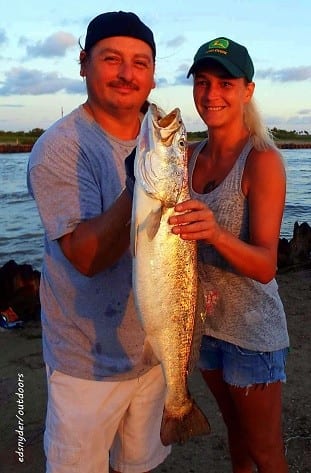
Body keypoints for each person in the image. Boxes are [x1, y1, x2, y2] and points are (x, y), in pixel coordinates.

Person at [27, 11, 171, 473]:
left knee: (139, 466)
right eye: (112, 59)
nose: (127, 74)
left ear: (152, 75)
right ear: (84, 63)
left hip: (154, 352)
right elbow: (86, 258)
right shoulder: (61, 147)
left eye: (140, 63)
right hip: (85, 364)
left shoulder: (166, 137)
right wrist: (141, 186)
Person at [169, 37, 289, 472]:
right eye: (203, 82)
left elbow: (266, 266)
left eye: (225, 83)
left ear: (247, 90)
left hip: (252, 335)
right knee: (235, 435)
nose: (211, 94)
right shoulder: (185, 157)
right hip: (201, 328)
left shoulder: (262, 161)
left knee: (266, 451)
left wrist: (216, 234)